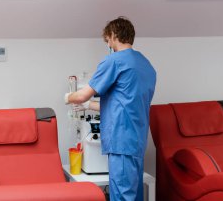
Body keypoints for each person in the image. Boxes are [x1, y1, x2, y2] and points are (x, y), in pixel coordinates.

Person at [64, 16, 156, 201]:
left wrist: (69, 97)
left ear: (113, 35)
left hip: (121, 140)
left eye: (108, 41)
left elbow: (82, 94)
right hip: (137, 140)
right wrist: (88, 106)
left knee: (122, 196)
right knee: (134, 195)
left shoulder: (114, 61)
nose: (109, 45)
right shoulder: (146, 65)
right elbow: (124, 103)